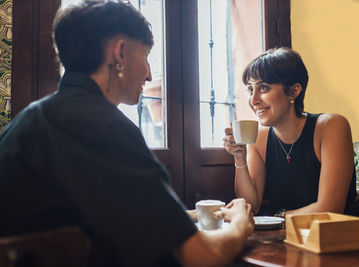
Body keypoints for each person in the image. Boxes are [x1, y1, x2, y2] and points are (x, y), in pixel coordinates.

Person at [0, 1, 254, 266]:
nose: (148, 75)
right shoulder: (104, 127)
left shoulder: (30, 120)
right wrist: (240, 223)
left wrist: (184, 216)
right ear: (120, 52)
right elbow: (202, 256)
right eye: (146, 56)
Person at [223, 47, 357, 218]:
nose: (254, 100)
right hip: (286, 237)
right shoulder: (260, 139)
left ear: (294, 91)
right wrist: (239, 157)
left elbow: (330, 209)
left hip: (338, 237)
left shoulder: (331, 127)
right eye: (250, 89)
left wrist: (278, 217)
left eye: (263, 88)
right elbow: (251, 206)